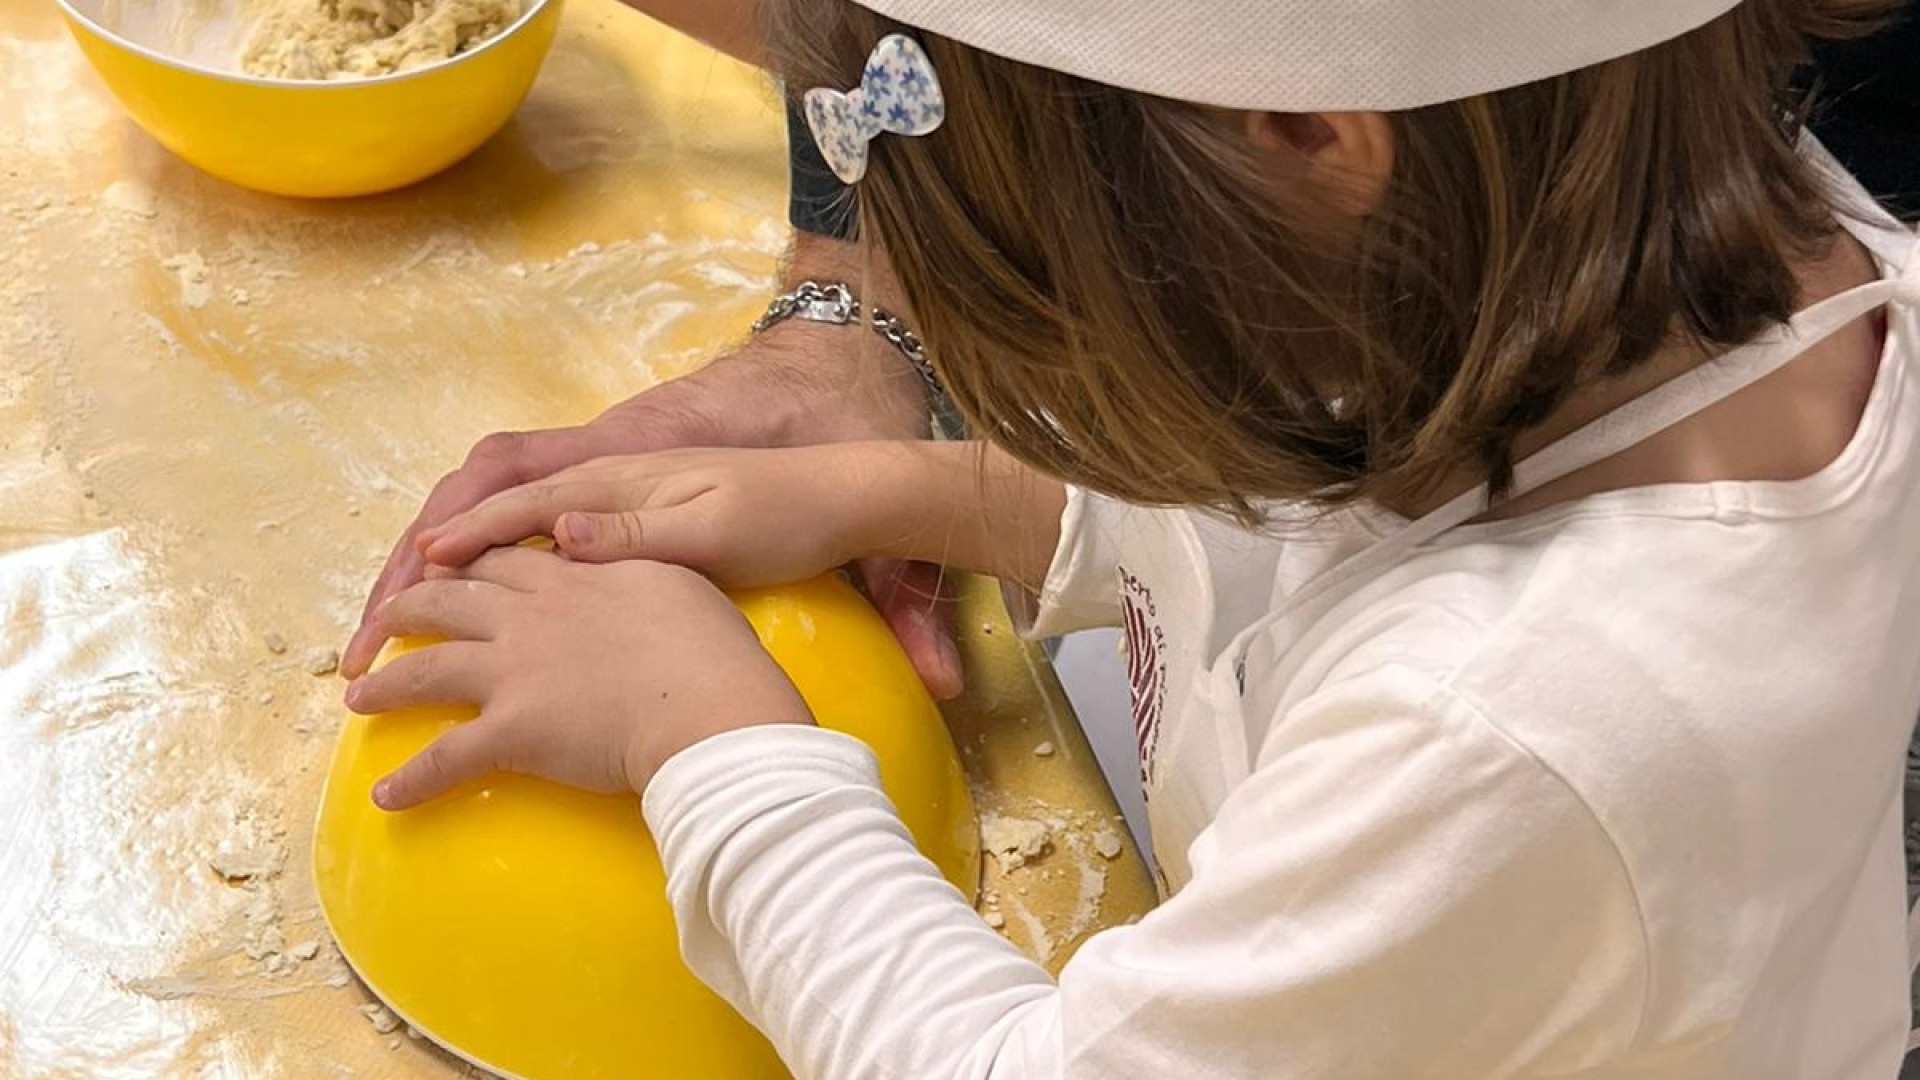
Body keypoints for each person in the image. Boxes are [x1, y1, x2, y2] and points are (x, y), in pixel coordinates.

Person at [338, 0, 1920, 1075]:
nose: (1027, 354)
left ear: (1299, 133)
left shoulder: (1517, 731)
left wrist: (710, 741)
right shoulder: (1602, 264)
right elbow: (1311, 492)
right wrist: (924, 490)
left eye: (1033, 281)